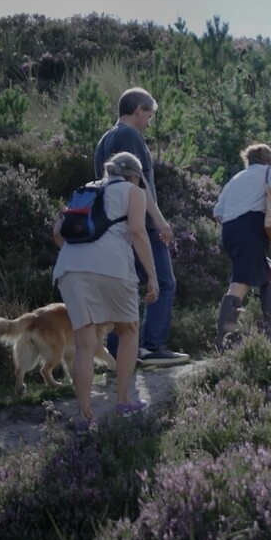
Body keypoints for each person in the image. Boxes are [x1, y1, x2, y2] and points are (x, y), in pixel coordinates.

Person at [52, 152, 157, 423]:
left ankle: (84, 414)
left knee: (85, 344)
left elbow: (57, 232)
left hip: (70, 268)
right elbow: (137, 231)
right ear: (134, 175)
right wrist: (152, 276)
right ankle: (123, 400)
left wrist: (81, 258)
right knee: (129, 329)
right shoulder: (134, 191)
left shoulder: (85, 190)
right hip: (113, 267)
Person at [93, 87, 188, 368]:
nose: (148, 122)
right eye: (148, 115)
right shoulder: (129, 136)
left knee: (126, 287)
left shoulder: (104, 139)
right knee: (163, 283)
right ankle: (152, 346)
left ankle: (119, 354)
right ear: (138, 110)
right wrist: (160, 222)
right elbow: (139, 183)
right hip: (140, 223)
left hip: (113, 226)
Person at [214, 143, 271, 342]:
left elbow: (218, 213)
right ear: (269, 159)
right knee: (240, 284)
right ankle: (224, 338)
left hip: (230, 230)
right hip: (251, 229)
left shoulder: (235, 179)